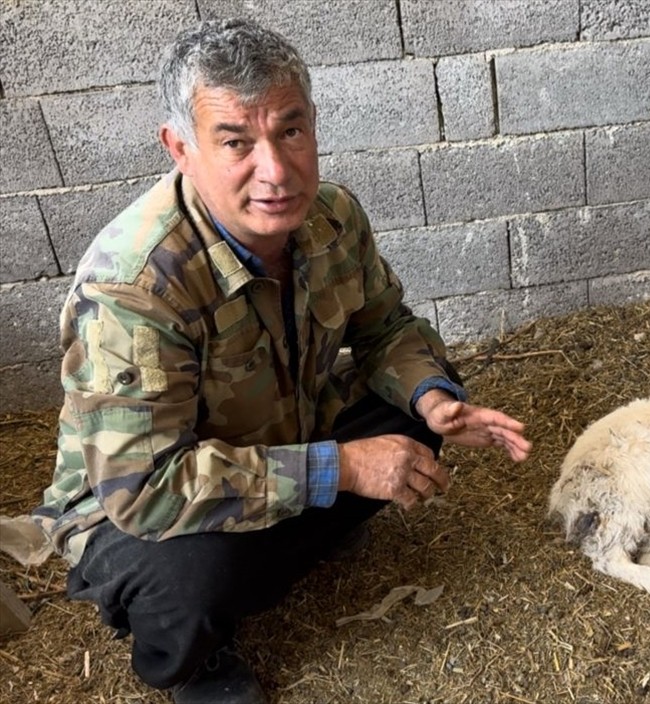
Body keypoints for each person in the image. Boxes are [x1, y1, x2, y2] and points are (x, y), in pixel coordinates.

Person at [31, 18, 532, 704]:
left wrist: (432, 398)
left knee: (424, 417)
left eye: (290, 131)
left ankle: (297, 527)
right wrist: (348, 468)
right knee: (194, 576)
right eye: (236, 142)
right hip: (133, 503)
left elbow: (386, 328)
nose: (275, 169)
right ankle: (191, 664)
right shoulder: (136, 286)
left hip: (282, 435)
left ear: (314, 126)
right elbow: (143, 490)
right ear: (181, 148)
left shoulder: (331, 216)